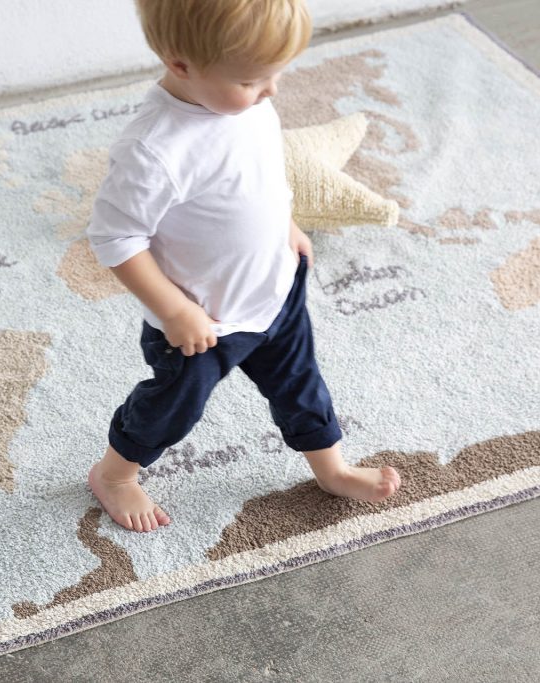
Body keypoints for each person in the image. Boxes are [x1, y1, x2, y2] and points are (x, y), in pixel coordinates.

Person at [85, 0, 402, 533]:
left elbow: (259, 173)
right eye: (255, 79)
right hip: (203, 322)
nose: (273, 90)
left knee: (303, 387)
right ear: (181, 64)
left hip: (275, 288)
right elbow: (115, 237)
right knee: (173, 408)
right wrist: (174, 309)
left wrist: (284, 226)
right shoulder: (154, 149)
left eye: (276, 73)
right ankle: (115, 476)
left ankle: (332, 469)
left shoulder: (247, 105)